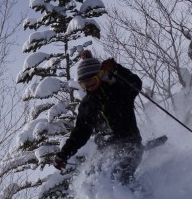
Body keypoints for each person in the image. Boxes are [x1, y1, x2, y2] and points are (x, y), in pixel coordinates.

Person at [53, 50, 143, 187]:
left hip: (129, 144)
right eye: (84, 84)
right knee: (93, 181)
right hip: (105, 151)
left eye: (92, 81)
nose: (88, 86)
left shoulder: (118, 89)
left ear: (100, 76)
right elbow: (80, 132)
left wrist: (116, 68)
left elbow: (135, 83)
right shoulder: (87, 105)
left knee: (119, 178)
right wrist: (64, 154)